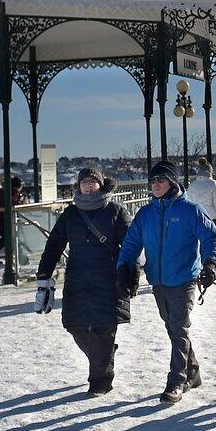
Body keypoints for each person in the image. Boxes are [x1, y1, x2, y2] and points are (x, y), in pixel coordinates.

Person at [116, 161, 216, 404]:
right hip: (158, 280)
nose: (155, 185)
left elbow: (210, 237)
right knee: (173, 328)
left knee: (178, 327)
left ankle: (177, 380)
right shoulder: (146, 213)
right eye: (152, 181)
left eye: (160, 180)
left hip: (184, 279)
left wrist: (210, 264)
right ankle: (192, 372)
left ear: (172, 182)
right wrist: (124, 267)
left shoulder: (191, 210)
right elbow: (131, 243)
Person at [35, 168, 132, 397]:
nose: (88, 186)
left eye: (92, 182)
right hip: (78, 278)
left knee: (103, 329)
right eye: (84, 182)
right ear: (78, 186)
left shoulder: (116, 212)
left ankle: (100, 381)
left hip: (108, 279)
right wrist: (44, 272)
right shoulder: (71, 214)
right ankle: (104, 355)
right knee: (73, 325)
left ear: (101, 184)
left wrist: (130, 276)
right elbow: (55, 244)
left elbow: (130, 247)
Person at [186, 158, 216, 252]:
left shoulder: (192, 185)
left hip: (196, 217)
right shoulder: (214, 184)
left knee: (199, 242)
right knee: (211, 241)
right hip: (212, 217)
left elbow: (188, 202)